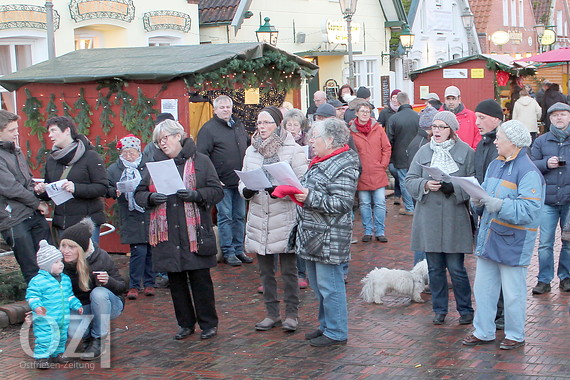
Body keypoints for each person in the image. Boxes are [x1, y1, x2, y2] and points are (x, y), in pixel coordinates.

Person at [135, 119, 223, 341]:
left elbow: (216, 191)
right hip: (167, 234)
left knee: (200, 280)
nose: (162, 144)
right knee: (176, 282)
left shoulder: (201, 161)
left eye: (165, 138)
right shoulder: (153, 164)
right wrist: (150, 197)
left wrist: (197, 195)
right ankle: (185, 323)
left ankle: (208, 323)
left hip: (194, 232)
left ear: (179, 136)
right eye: (158, 140)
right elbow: (139, 194)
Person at [463, 120, 544, 350]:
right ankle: (483, 331)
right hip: (490, 237)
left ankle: (515, 334)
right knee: (484, 289)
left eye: (499, 137)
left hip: (513, 242)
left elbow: (530, 211)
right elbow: (485, 201)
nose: (495, 141)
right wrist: (477, 201)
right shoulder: (495, 165)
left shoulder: (528, 172)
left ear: (513, 142)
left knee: (513, 293)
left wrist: (497, 204)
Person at [239, 107, 307, 332]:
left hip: (285, 215)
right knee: (265, 270)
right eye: (259, 123)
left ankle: (291, 314)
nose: (262, 127)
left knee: (289, 270)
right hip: (260, 214)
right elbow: (243, 178)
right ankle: (271, 313)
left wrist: (280, 188)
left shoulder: (293, 149)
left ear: (278, 124)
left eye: (266, 123)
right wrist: (245, 190)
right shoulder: (252, 150)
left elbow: (301, 183)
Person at [293, 118, 360, 347]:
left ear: (330, 140)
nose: (311, 141)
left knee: (330, 286)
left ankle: (337, 331)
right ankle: (326, 326)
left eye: (316, 137)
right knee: (319, 287)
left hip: (330, 236)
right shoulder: (321, 160)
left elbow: (342, 203)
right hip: (313, 234)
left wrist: (308, 197)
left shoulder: (344, 164)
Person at [405, 111, 475, 326]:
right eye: (434, 127)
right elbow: (409, 180)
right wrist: (425, 185)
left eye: (441, 127)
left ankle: (465, 310)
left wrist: (453, 188)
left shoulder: (467, 152)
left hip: (454, 217)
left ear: (451, 130)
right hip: (429, 218)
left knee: (456, 269)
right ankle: (439, 309)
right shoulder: (424, 151)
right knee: (434, 269)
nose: (436, 131)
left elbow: (474, 183)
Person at [196, 95, 252, 266]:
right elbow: (201, 156)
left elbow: (248, 146)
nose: (226, 110)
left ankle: (239, 249)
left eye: (228, 107)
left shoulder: (238, 125)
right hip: (221, 183)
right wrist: (212, 178)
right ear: (215, 110)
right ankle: (228, 251)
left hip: (240, 181)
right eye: (222, 107)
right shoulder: (208, 129)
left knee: (240, 216)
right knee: (225, 216)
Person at [34, 116, 108, 245]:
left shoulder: (90, 156)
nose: (50, 135)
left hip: (85, 223)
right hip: (61, 223)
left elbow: (102, 187)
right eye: (49, 132)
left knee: (87, 262)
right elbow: (50, 191)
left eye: (53, 130)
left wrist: (76, 188)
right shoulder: (52, 159)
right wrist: (42, 191)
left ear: (67, 131)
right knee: (67, 263)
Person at [62, 218, 126, 361]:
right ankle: (88, 334)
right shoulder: (60, 263)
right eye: (63, 246)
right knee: (72, 331)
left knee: (99, 293)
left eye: (71, 247)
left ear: (81, 248)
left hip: (107, 304)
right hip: (81, 305)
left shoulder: (100, 257)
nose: (65, 251)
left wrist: (109, 281)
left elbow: (122, 287)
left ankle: (99, 339)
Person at [0, 110, 51, 283]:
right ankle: (40, 307)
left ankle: (57, 302)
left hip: (33, 215)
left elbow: (26, 180)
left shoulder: (16, 151)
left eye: (16, 128)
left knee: (50, 262)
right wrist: (37, 203)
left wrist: (37, 190)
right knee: (32, 270)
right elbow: (10, 188)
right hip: (13, 220)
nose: (16, 133)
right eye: (11, 130)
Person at [107, 134, 155, 300]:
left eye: (132, 153)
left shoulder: (148, 166)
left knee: (150, 249)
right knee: (138, 250)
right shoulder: (115, 169)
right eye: (125, 153)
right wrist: (115, 191)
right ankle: (134, 284)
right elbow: (105, 187)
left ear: (138, 152)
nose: (128, 156)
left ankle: (150, 282)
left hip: (148, 211)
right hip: (129, 212)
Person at [530, 102, 570, 294]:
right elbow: (530, 166)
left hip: (569, 200)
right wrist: (546, 163)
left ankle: (566, 277)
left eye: (562, 114)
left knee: (568, 241)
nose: (559, 118)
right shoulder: (541, 141)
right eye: (555, 115)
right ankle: (544, 280)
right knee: (545, 242)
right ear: (549, 119)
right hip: (548, 200)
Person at [26, 240, 83, 369]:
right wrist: (37, 307)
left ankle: (58, 353)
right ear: (46, 265)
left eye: (61, 261)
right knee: (45, 337)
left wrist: (76, 305)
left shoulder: (65, 279)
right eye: (56, 262)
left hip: (63, 317)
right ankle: (41, 357)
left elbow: (69, 296)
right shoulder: (38, 281)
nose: (61, 265)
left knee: (62, 336)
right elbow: (32, 296)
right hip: (46, 317)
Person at [349, 102, 391, 242]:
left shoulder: (378, 129)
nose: (365, 114)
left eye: (367, 111)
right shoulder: (352, 131)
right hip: (362, 173)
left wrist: (383, 165)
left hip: (377, 171)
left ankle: (380, 231)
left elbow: (386, 148)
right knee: (365, 203)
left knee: (380, 202)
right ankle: (367, 230)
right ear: (356, 113)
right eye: (362, 111)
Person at [283, 109, 310, 288]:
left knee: (299, 234)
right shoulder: (281, 143)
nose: (292, 128)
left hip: (301, 191)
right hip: (284, 192)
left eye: (295, 125)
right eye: (289, 125)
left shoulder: (307, 142)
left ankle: (301, 273)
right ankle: (286, 273)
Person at [387, 91, 419, 215]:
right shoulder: (418, 116)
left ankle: (409, 207)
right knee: (416, 180)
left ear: (398, 102)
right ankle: (416, 206)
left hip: (399, 155)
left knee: (404, 181)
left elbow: (389, 140)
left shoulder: (393, 118)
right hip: (416, 154)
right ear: (409, 101)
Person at [441, 86, 480, 150]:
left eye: (453, 99)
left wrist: (473, 152)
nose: (451, 102)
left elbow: (478, 135)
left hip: (467, 155)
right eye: (448, 99)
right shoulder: (438, 116)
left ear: (459, 99)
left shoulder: (471, 116)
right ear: (445, 100)